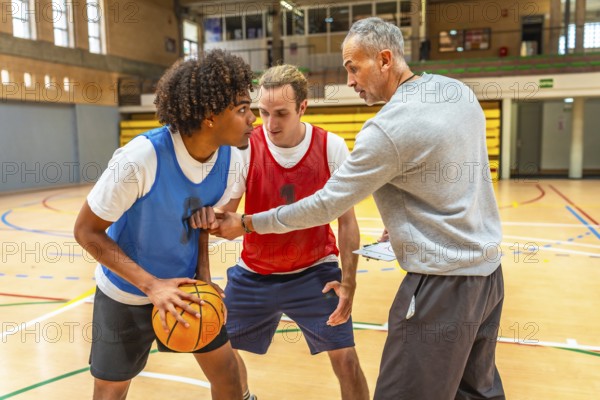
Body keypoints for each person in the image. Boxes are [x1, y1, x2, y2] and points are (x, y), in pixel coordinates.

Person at [211, 18, 506, 400]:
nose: (349, 80)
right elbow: (458, 179)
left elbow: (325, 205)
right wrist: (408, 224)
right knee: (474, 393)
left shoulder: (385, 130)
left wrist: (249, 223)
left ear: (385, 60)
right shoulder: (457, 93)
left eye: (354, 67)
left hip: (440, 283)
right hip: (487, 277)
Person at [73, 49, 256, 400]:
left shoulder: (234, 155)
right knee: (110, 391)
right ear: (209, 116)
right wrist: (152, 286)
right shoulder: (141, 158)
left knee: (229, 376)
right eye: (242, 109)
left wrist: (204, 276)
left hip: (185, 289)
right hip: (125, 291)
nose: (253, 119)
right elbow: (86, 231)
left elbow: (199, 223)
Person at [191, 64, 369, 400]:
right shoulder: (244, 147)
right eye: (263, 112)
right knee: (218, 351)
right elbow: (227, 210)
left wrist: (349, 280)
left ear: (303, 107)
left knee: (346, 360)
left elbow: (347, 221)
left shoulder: (331, 147)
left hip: (315, 270)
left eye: (281, 114)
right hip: (255, 271)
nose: (270, 124)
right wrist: (210, 218)